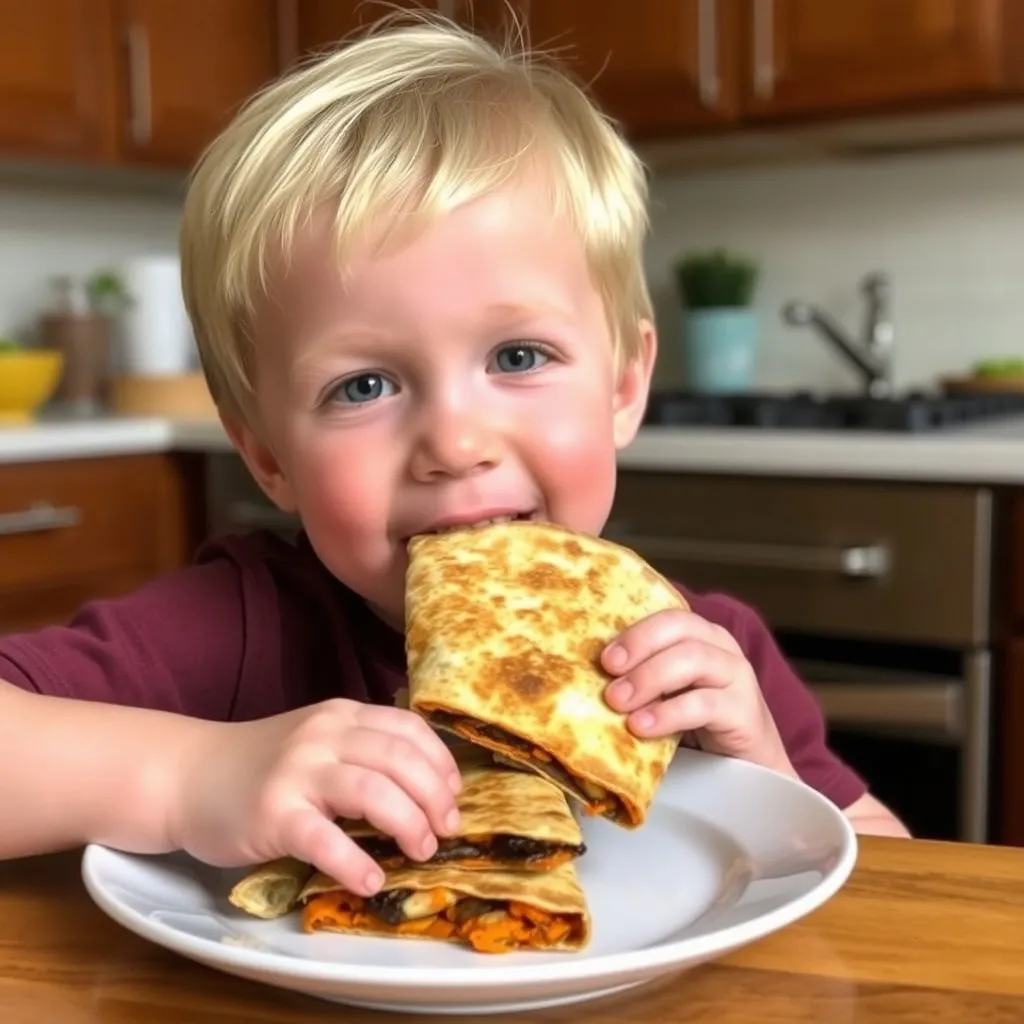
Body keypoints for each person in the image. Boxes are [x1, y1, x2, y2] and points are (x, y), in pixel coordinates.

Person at [0, 13, 908, 895]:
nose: (455, 443)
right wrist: (192, 775)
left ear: (625, 387)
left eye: (519, 357)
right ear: (269, 458)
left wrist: (765, 780)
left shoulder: (702, 663)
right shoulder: (238, 630)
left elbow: (902, 890)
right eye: (362, 386)